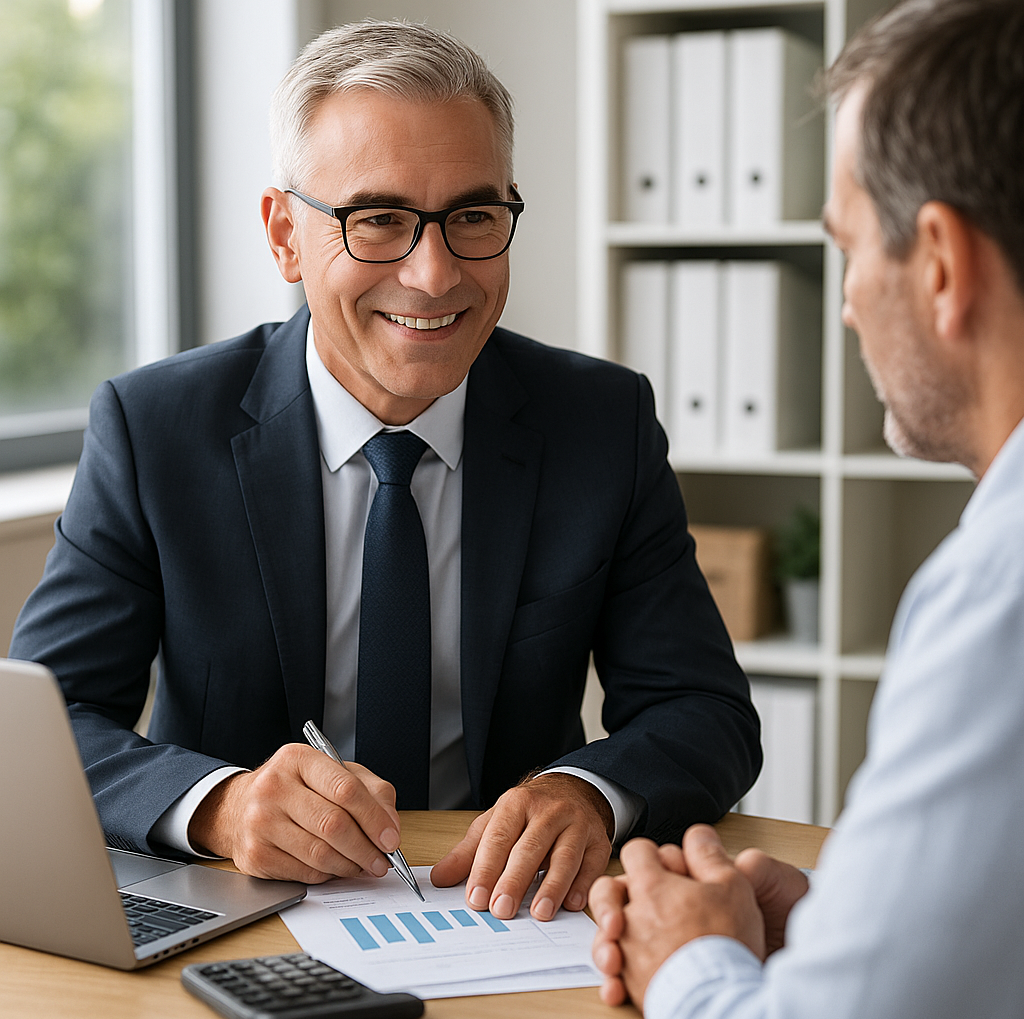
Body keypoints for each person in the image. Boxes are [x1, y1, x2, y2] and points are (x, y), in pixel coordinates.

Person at [9, 20, 760, 924]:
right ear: (286, 235)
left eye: (474, 217)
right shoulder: (154, 429)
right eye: (379, 221)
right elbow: (41, 738)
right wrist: (220, 806)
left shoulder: (601, 424)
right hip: (233, 926)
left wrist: (589, 792)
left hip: (502, 920)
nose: (435, 273)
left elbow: (704, 711)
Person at [589, 0, 1024, 1018]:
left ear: (942, 265)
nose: (844, 305)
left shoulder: (997, 597)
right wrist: (853, 924)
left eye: (848, 250)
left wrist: (688, 960)